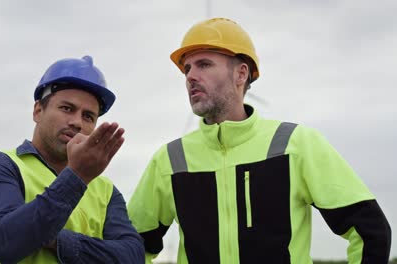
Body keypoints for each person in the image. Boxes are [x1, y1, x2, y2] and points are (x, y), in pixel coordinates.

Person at [127, 18, 392, 263]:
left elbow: (370, 231)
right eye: (186, 69)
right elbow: (131, 247)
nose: (190, 77)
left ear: (241, 74)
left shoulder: (295, 144)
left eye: (204, 64)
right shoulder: (171, 159)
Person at [0, 55, 145, 263]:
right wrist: (77, 176)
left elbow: (132, 256)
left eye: (88, 116)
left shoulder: (105, 190)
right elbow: (5, 243)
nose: (77, 122)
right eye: (67, 108)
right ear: (38, 111)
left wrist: (57, 240)